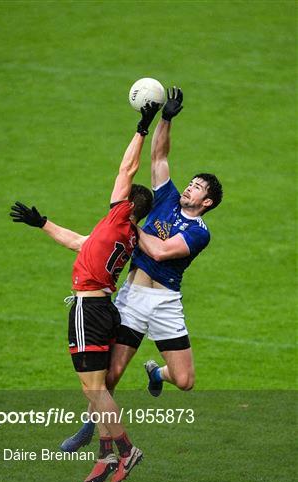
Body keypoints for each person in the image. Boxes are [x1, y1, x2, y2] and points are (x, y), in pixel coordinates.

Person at [61, 86, 223, 451]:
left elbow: (163, 251)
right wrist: (165, 118)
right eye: (192, 182)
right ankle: (88, 427)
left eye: (198, 188)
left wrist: (126, 218)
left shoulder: (199, 232)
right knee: (112, 375)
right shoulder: (167, 196)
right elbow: (160, 156)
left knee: (184, 380)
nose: (191, 187)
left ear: (206, 202)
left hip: (165, 304)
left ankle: (155, 372)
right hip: (133, 298)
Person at [9, 101, 159, 482]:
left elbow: (127, 168)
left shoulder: (117, 217)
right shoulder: (121, 236)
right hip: (103, 309)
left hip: (87, 309)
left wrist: (142, 127)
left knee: (93, 388)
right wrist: (41, 223)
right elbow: (79, 242)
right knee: (92, 387)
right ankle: (106, 455)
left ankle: (126, 450)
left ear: (126, 205)